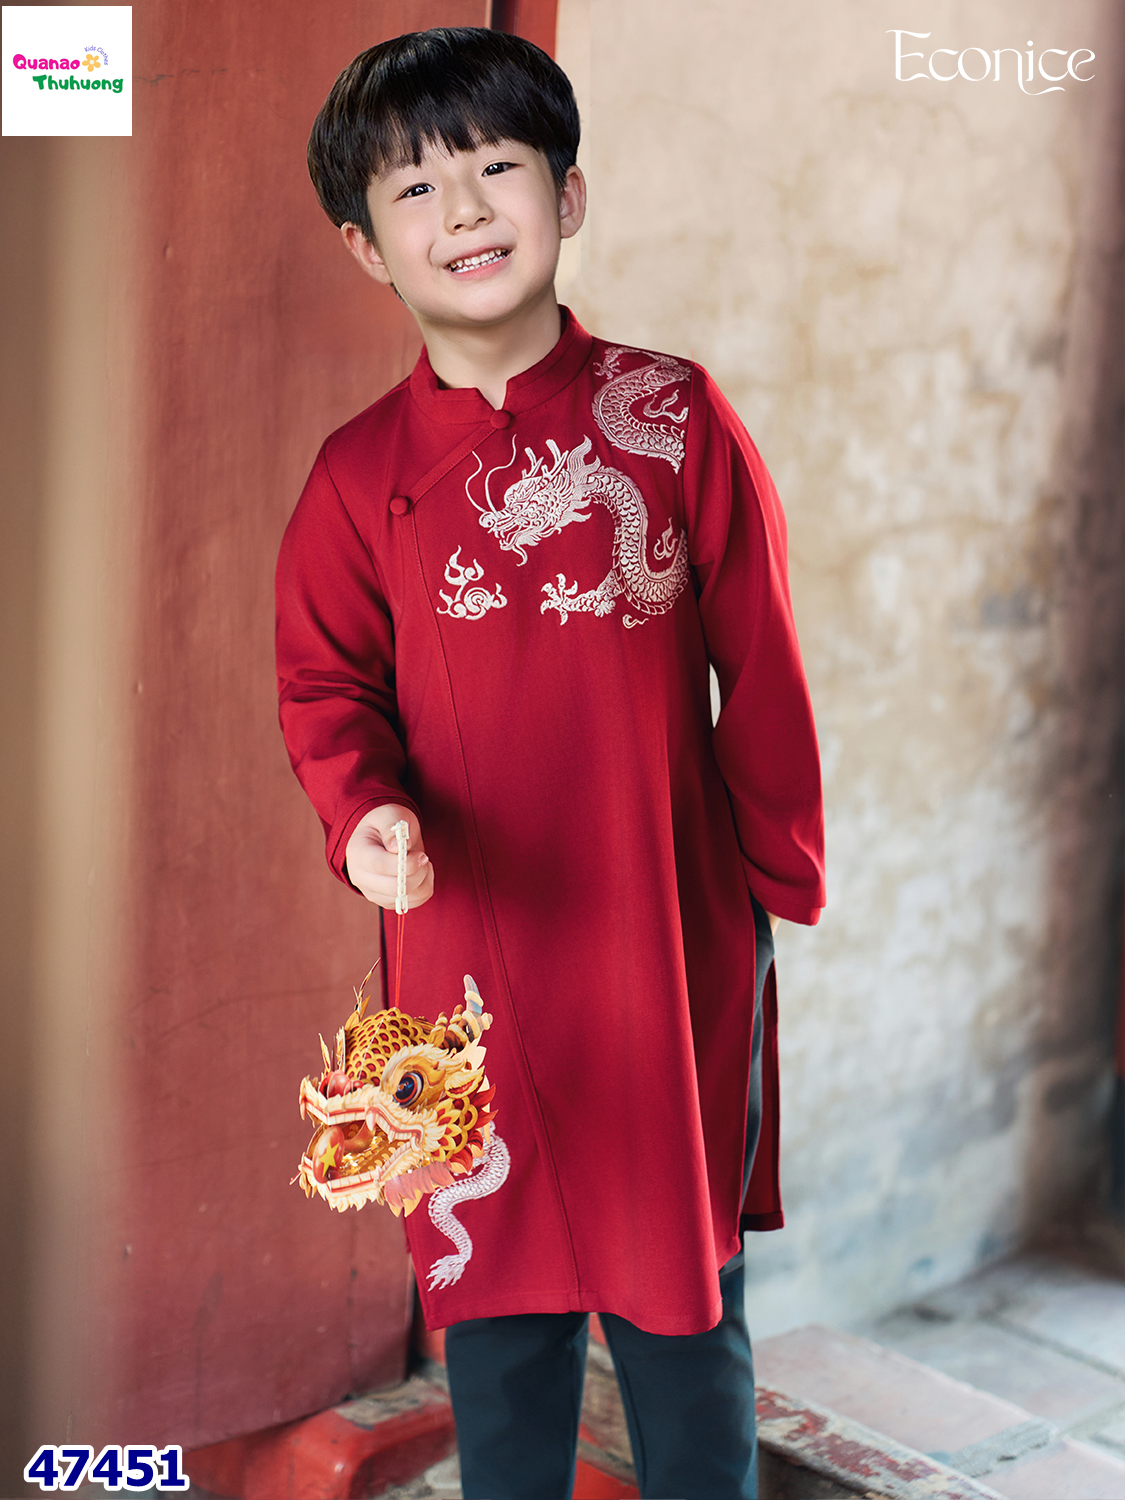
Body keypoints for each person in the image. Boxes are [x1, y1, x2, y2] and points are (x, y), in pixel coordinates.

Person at [276, 27, 825, 1500]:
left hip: (665, 936)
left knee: (684, 1320)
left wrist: (771, 878)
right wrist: (363, 814)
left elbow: (762, 662)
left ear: (567, 197)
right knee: (495, 1316)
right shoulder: (357, 476)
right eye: (414, 188)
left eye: (497, 168)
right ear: (365, 246)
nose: (462, 211)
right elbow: (326, 685)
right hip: (460, 961)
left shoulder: (674, 418)